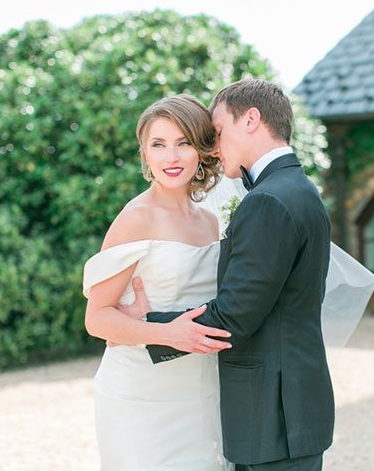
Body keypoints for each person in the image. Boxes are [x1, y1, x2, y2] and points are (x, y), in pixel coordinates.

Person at [139, 79, 335, 471]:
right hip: (288, 410)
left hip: (272, 414)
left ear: (251, 119)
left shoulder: (267, 200)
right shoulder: (298, 189)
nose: (212, 147)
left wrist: (147, 326)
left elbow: (235, 316)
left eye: (218, 132)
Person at [83, 93, 234, 470]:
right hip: (140, 397)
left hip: (201, 390)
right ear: (145, 154)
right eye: (158, 145)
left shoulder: (210, 221)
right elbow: (97, 318)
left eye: (183, 143)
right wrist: (164, 333)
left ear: (200, 148)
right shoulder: (136, 219)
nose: (171, 157)